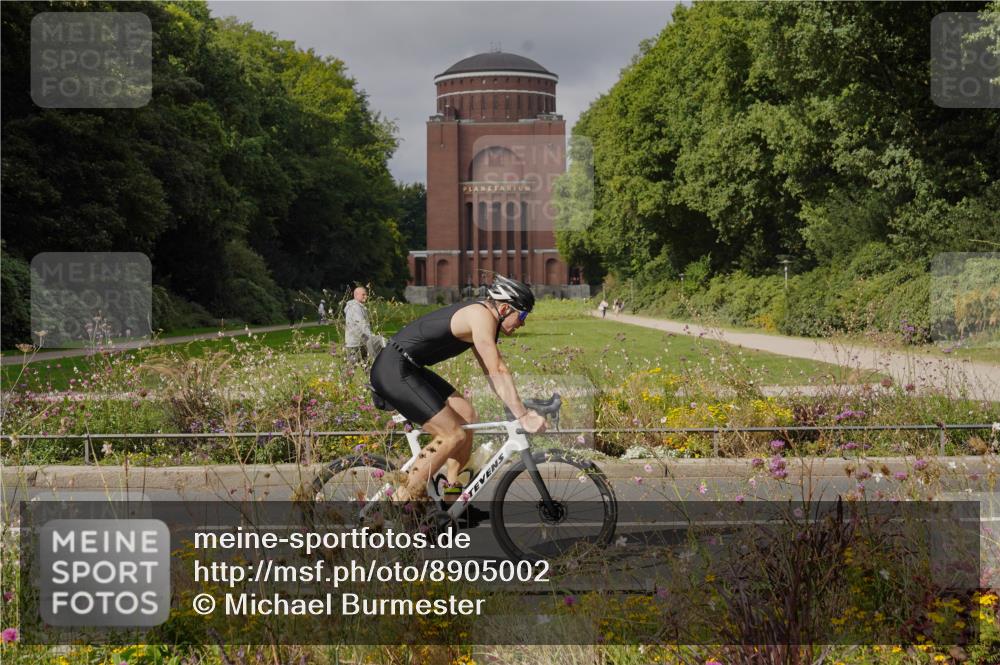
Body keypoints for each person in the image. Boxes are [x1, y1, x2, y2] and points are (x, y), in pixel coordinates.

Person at [370, 275, 546, 502]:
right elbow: (498, 370)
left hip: (409, 368)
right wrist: (523, 415)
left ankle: (451, 500)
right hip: (394, 369)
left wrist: (517, 407)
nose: (523, 323)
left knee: (467, 416)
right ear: (504, 308)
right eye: (522, 316)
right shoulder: (480, 316)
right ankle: (401, 504)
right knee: (451, 434)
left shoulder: (484, 322)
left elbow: (491, 374)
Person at [344, 286, 372, 365]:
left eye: (366, 294)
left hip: (362, 342)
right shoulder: (355, 307)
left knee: (368, 367)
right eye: (363, 295)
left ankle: (371, 377)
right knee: (350, 370)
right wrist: (372, 337)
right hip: (354, 344)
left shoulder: (360, 307)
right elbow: (362, 324)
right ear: (356, 295)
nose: (366, 296)